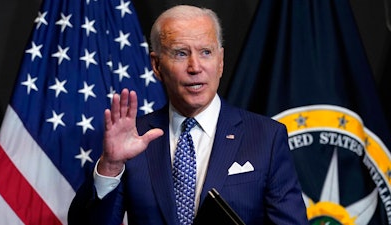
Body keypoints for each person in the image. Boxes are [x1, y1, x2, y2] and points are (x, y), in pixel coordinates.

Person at [68, 5, 309, 225]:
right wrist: (110, 166)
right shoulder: (134, 139)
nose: (195, 67)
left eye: (206, 52)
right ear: (157, 65)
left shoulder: (266, 137)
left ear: (221, 61)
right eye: (181, 53)